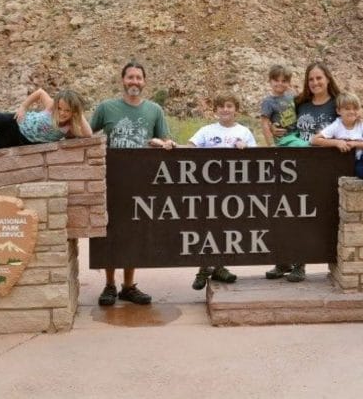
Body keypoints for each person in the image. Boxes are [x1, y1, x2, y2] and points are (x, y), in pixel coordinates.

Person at [90, 61, 176, 307]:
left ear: (145, 82)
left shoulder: (154, 110)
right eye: (130, 77)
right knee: (108, 232)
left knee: (133, 234)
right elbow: (87, 133)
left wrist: (165, 144)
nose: (135, 82)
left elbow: (165, 139)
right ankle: (109, 285)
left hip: (141, 182)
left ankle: (128, 286)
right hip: (110, 181)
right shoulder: (106, 108)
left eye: (139, 78)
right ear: (122, 80)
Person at [267, 61, 341, 283]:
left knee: (313, 216)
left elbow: (355, 124)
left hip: (326, 166)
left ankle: (301, 262)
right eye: (311, 79)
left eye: (319, 78)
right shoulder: (300, 103)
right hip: (296, 166)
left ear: (327, 79)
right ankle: (285, 261)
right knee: (288, 212)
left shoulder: (338, 104)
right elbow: (285, 125)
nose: (315, 82)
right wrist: (274, 128)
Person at [187, 93, 256, 290]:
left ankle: (219, 267)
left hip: (234, 191)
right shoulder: (206, 131)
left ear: (236, 109)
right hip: (208, 190)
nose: (225, 109)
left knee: (226, 229)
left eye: (229, 105)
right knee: (206, 228)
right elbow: (191, 147)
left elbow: (257, 158)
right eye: (221, 106)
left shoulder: (244, 132)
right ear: (215, 110)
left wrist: (246, 149)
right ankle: (202, 269)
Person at [259, 64, 306, 147]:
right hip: (283, 138)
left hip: (296, 133)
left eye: (284, 81)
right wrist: (271, 144)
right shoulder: (268, 102)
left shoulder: (292, 96)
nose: (280, 83)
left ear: (289, 82)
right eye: (276, 80)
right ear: (270, 81)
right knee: (302, 146)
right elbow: (264, 124)